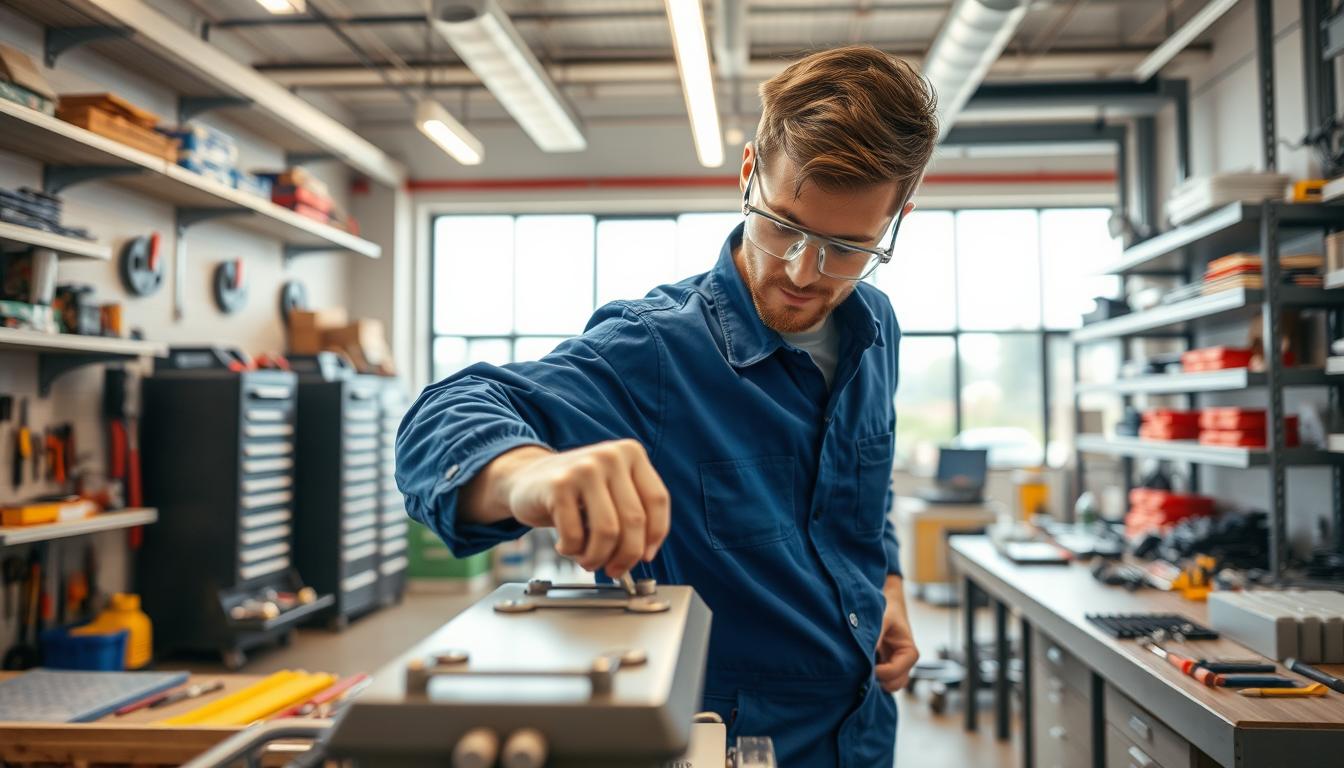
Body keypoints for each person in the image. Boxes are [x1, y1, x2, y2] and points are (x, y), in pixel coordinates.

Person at [396, 44, 939, 766]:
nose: (804, 274)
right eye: (783, 226)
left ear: (896, 220)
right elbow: (444, 415)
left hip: (863, 736)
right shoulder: (654, 350)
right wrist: (531, 475)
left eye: (847, 246)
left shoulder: (877, 328)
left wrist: (890, 588)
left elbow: (862, 494)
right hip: (725, 744)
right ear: (749, 174)